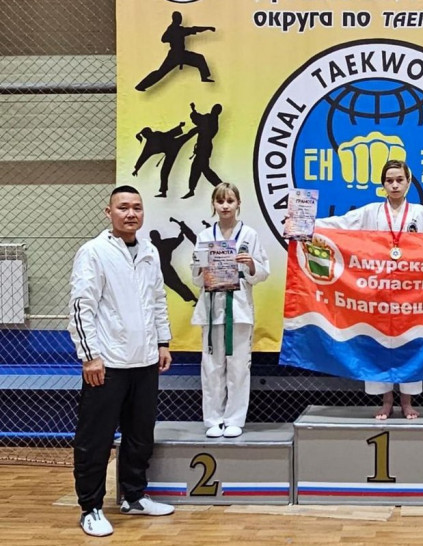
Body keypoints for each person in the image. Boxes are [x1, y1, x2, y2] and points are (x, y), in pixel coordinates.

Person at [315, 159, 423, 420]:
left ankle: (407, 402)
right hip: (377, 291)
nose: (395, 185)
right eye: (389, 181)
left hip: (411, 292)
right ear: (383, 185)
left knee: (409, 343)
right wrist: (306, 226)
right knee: (379, 344)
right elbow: (340, 224)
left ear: (409, 182)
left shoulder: (420, 214)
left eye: (400, 180)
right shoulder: (371, 212)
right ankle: (386, 401)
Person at [67, 185, 175, 537]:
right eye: (123, 207)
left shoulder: (150, 251)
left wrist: (162, 342)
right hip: (107, 364)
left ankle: (134, 497)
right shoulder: (93, 252)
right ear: (108, 212)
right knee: (95, 439)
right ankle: (91, 508)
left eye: (137, 208)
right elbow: (81, 306)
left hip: (145, 361)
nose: (131, 214)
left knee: (140, 435)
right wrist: (90, 357)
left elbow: (157, 298)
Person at [191, 183, 270, 438]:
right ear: (213, 204)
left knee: (238, 366)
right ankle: (213, 419)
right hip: (212, 306)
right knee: (212, 366)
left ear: (238, 204)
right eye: (220, 201)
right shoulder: (205, 236)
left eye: (230, 201)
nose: (225, 206)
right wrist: (202, 268)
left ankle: (234, 419)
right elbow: (196, 278)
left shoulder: (250, 235)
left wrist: (251, 264)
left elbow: (263, 273)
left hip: (239, 307)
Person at [135, 11, 215, 91]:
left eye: (180, 18)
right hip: (175, 56)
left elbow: (193, 29)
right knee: (160, 73)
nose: (180, 19)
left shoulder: (174, 29)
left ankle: (204, 77)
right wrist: (208, 28)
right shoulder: (176, 29)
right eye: (179, 18)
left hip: (180, 55)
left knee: (199, 58)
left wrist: (207, 28)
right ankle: (141, 86)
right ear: (175, 19)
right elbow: (164, 39)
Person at [132, 121, 194, 198]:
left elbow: (143, 157)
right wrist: (179, 127)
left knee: (164, 172)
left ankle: (164, 192)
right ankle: (163, 192)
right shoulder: (154, 138)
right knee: (188, 135)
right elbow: (169, 134)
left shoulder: (150, 143)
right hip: (174, 146)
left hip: (173, 148)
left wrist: (137, 169)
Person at [182, 102, 223, 199]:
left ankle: (220, 186)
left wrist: (193, 110)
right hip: (204, 147)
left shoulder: (209, 119)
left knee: (204, 169)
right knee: (197, 168)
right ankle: (192, 189)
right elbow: (198, 120)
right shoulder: (214, 122)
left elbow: (197, 119)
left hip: (203, 148)